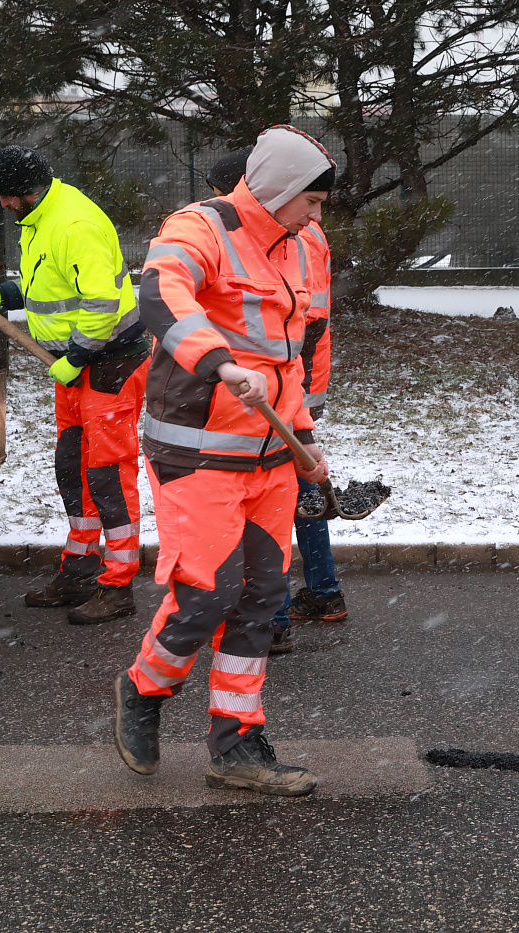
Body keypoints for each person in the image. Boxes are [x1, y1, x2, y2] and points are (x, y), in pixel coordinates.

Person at [113, 125, 334, 796]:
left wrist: (303, 435)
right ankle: (144, 688)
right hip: (196, 450)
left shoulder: (298, 247)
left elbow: (288, 358)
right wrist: (217, 361)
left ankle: (236, 743)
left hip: (270, 455)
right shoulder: (200, 227)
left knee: (262, 597)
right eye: (310, 201)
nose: (315, 217)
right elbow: (162, 294)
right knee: (209, 592)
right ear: (280, 188)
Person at [0, 147, 149, 625]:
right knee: (74, 467)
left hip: (110, 365)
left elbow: (102, 302)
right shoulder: (37, 220)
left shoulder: (74, 224)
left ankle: (118, 585)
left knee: (107, 474)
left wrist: (79, 357)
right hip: (75, 366)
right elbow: (46, 287)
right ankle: (80, 571)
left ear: (29, 190)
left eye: (7, 196)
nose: (3, 205)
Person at [203, 147, 347, 656]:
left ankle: (277, 617)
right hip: (294, 381)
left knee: (279, 499)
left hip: (283, 385)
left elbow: (303, 321)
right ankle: (322, 592)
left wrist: (284, 387)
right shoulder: (302, 228)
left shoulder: (289, 233)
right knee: (300, 488)